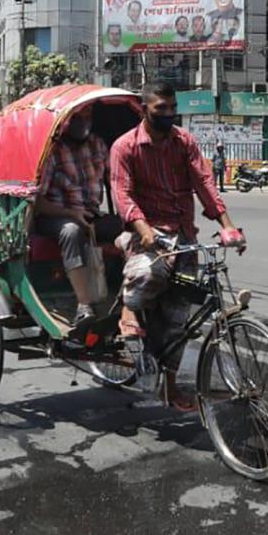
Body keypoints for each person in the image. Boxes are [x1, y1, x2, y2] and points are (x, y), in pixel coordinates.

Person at [110, 82, 245, 410]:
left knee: (179, 318)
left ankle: (170, 388)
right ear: (145, 109)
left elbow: (204, 183)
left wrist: (228, 226)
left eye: (173, 108)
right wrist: (143, 228)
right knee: (147, 273)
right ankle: (128, 309)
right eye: (161, 109)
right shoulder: (125, 147)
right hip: (145, 233)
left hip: (183, 234)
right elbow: (122, 194)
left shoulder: (184, 142)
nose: (169, 114)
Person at [35, 105, 117, 332]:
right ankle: (84, 305)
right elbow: (38, 202)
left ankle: (126, 298)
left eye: (87, 116)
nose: (83, 122)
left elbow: (115, 181)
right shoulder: (53, 150)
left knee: (128, 228)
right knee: (72, 231)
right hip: (56, 216)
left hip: (91, 214)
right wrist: (71, 214)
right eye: (77, 117)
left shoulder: (98, 145)